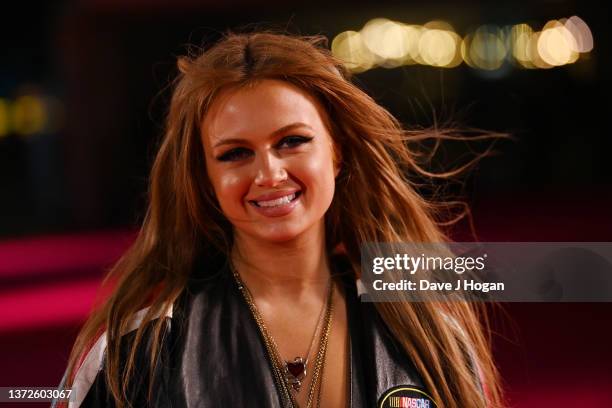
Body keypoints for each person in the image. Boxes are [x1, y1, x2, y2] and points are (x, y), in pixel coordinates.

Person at [55, 31, 503, 408]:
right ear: (204, 177)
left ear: (337, 151)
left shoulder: (426, 330)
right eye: (235, 154)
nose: (269, 174)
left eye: (292, 141)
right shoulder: (137, 351)